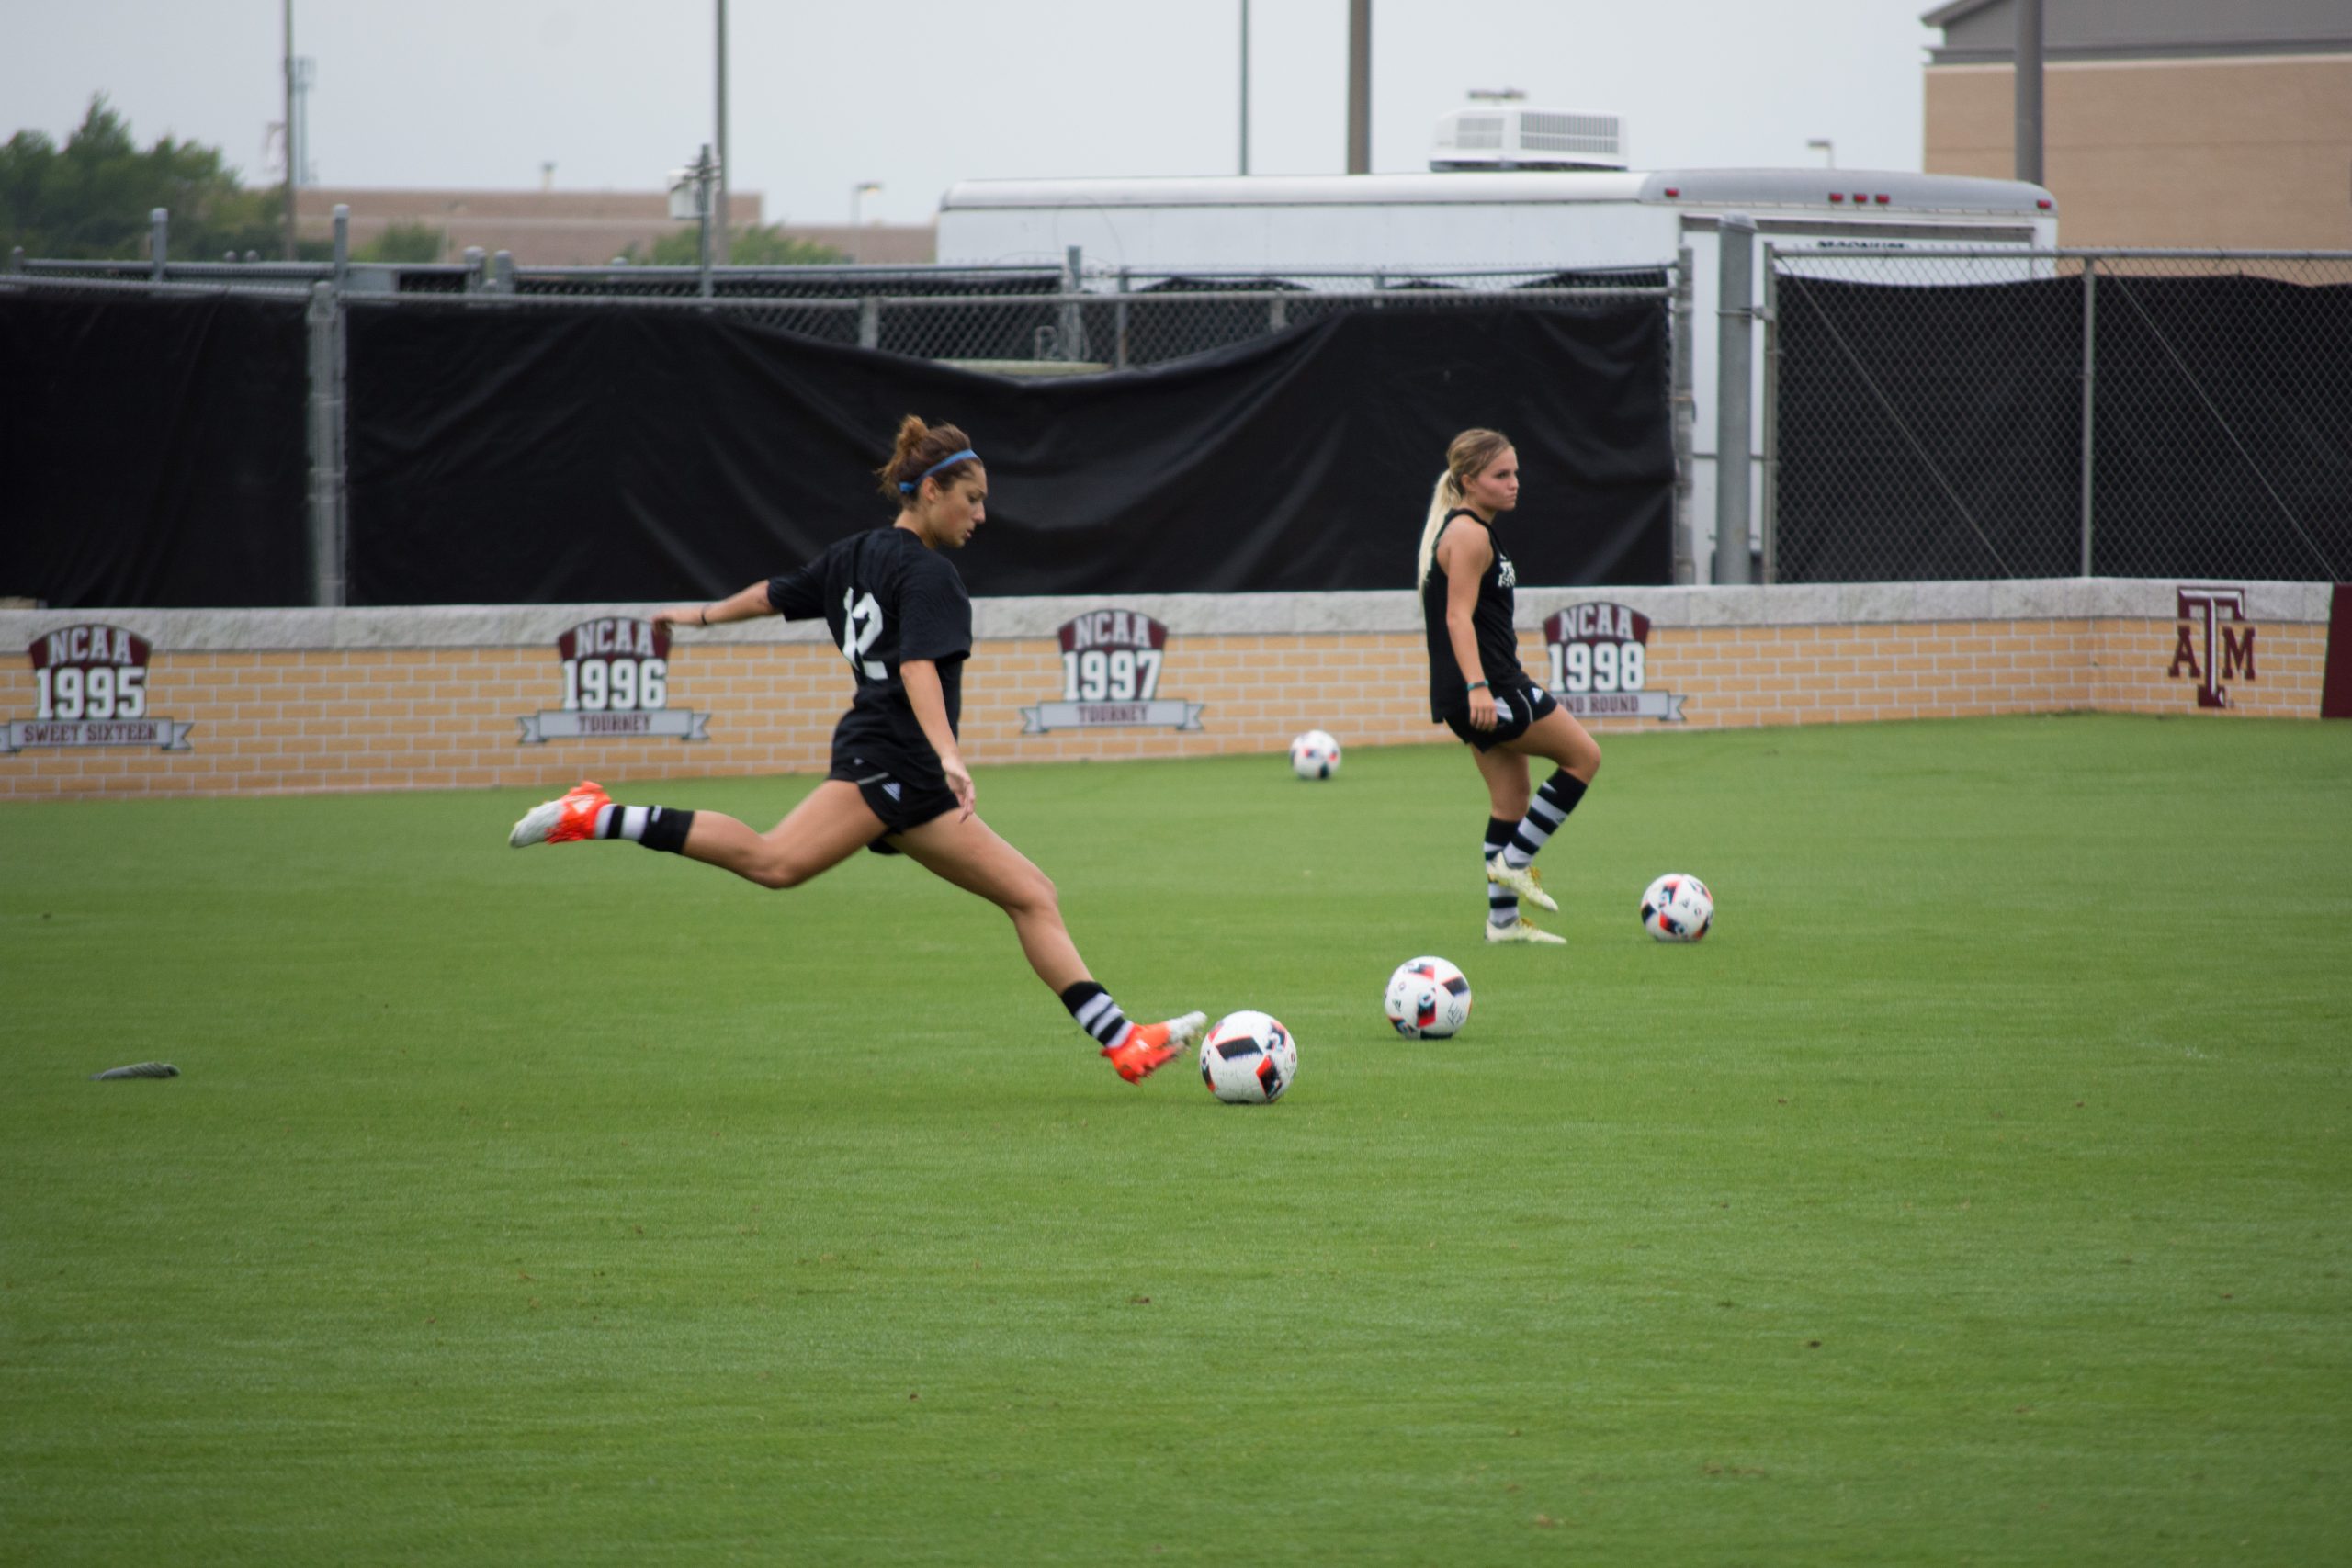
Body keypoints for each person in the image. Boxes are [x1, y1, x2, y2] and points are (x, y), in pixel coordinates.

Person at [508, 416, 1204, 1083]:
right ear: (930, 491)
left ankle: (1123, 1042)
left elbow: (768, 596)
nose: (981, 515)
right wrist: (951, 754)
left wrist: (701, 615)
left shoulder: (853, 555)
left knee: (1030, 894)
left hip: (907, 774)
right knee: (774, 860)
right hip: (893, 761)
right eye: (972, 499)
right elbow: (916, 668)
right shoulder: (932, 576)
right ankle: (594, 814)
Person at [1416, 428, 1601, 946]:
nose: (1514, 483)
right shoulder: (1470, 534)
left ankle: (1501, 924)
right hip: (1491, 686)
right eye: (1501, 475)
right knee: (1584, 757)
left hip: (1473, 689)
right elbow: (1457, 618)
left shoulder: (1468, 529)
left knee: (1511, 800)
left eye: (1515, 472)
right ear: (1469, 481)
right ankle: (1514, 862)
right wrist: (1479, 686)